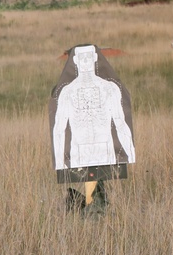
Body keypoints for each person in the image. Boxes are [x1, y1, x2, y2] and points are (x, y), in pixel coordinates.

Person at [51, 44, 135, 172]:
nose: (85, 61)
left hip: (106, 153)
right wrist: (59, 162)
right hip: (78, 156)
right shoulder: (67, 92)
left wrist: (130, 154)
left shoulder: (109, 88)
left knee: (102, 190)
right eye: (81, 57)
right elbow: (58, 130)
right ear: (75, 60)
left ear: (95, 58)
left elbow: (121, 124)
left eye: (88, 56)